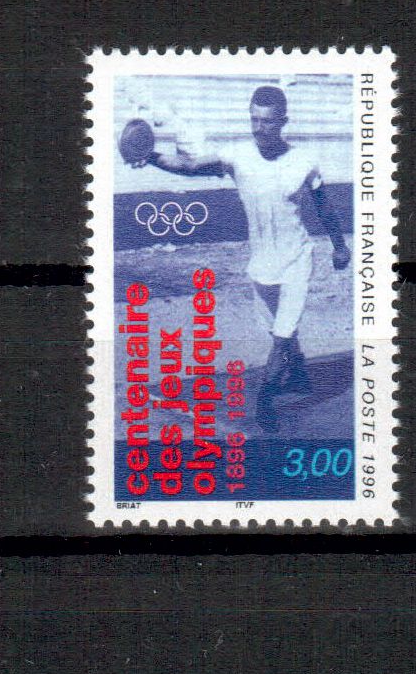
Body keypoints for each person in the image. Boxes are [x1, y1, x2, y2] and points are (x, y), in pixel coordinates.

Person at [128, 85, 350, 431]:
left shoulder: (304, 161)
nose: (259, 128)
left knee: (282, 333)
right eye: (254, 119)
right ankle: (299, 371)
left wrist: (339, 246)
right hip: (261, 264)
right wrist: (150, 156)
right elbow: (190, 166)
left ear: (283, 121)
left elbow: (325, 207)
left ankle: (265, 401)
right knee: (279, 328)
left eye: (267, 121)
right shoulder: (236, 156)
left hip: (297, 259)